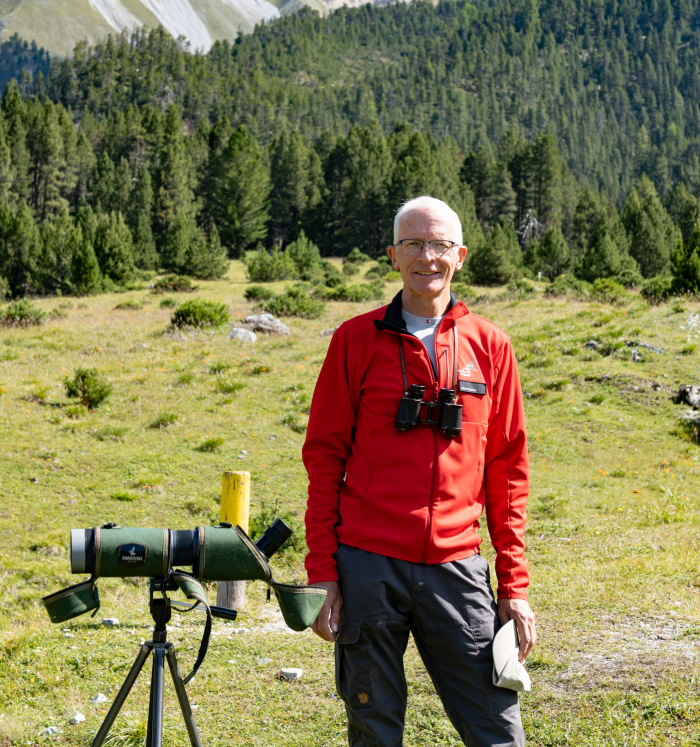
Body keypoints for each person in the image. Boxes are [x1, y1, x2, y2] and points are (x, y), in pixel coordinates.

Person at [302, 195, 535, 746]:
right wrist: (323, 572)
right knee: (374, 728)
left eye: (439, 245)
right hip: (367, 566)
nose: (426, 256)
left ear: (461, 256)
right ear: (392, 255)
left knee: (496, 728)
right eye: (412, 244)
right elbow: (324, 459)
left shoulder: (491, 347)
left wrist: (514, 586)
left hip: (457, 566)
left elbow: (507, 472)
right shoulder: (354, 342)